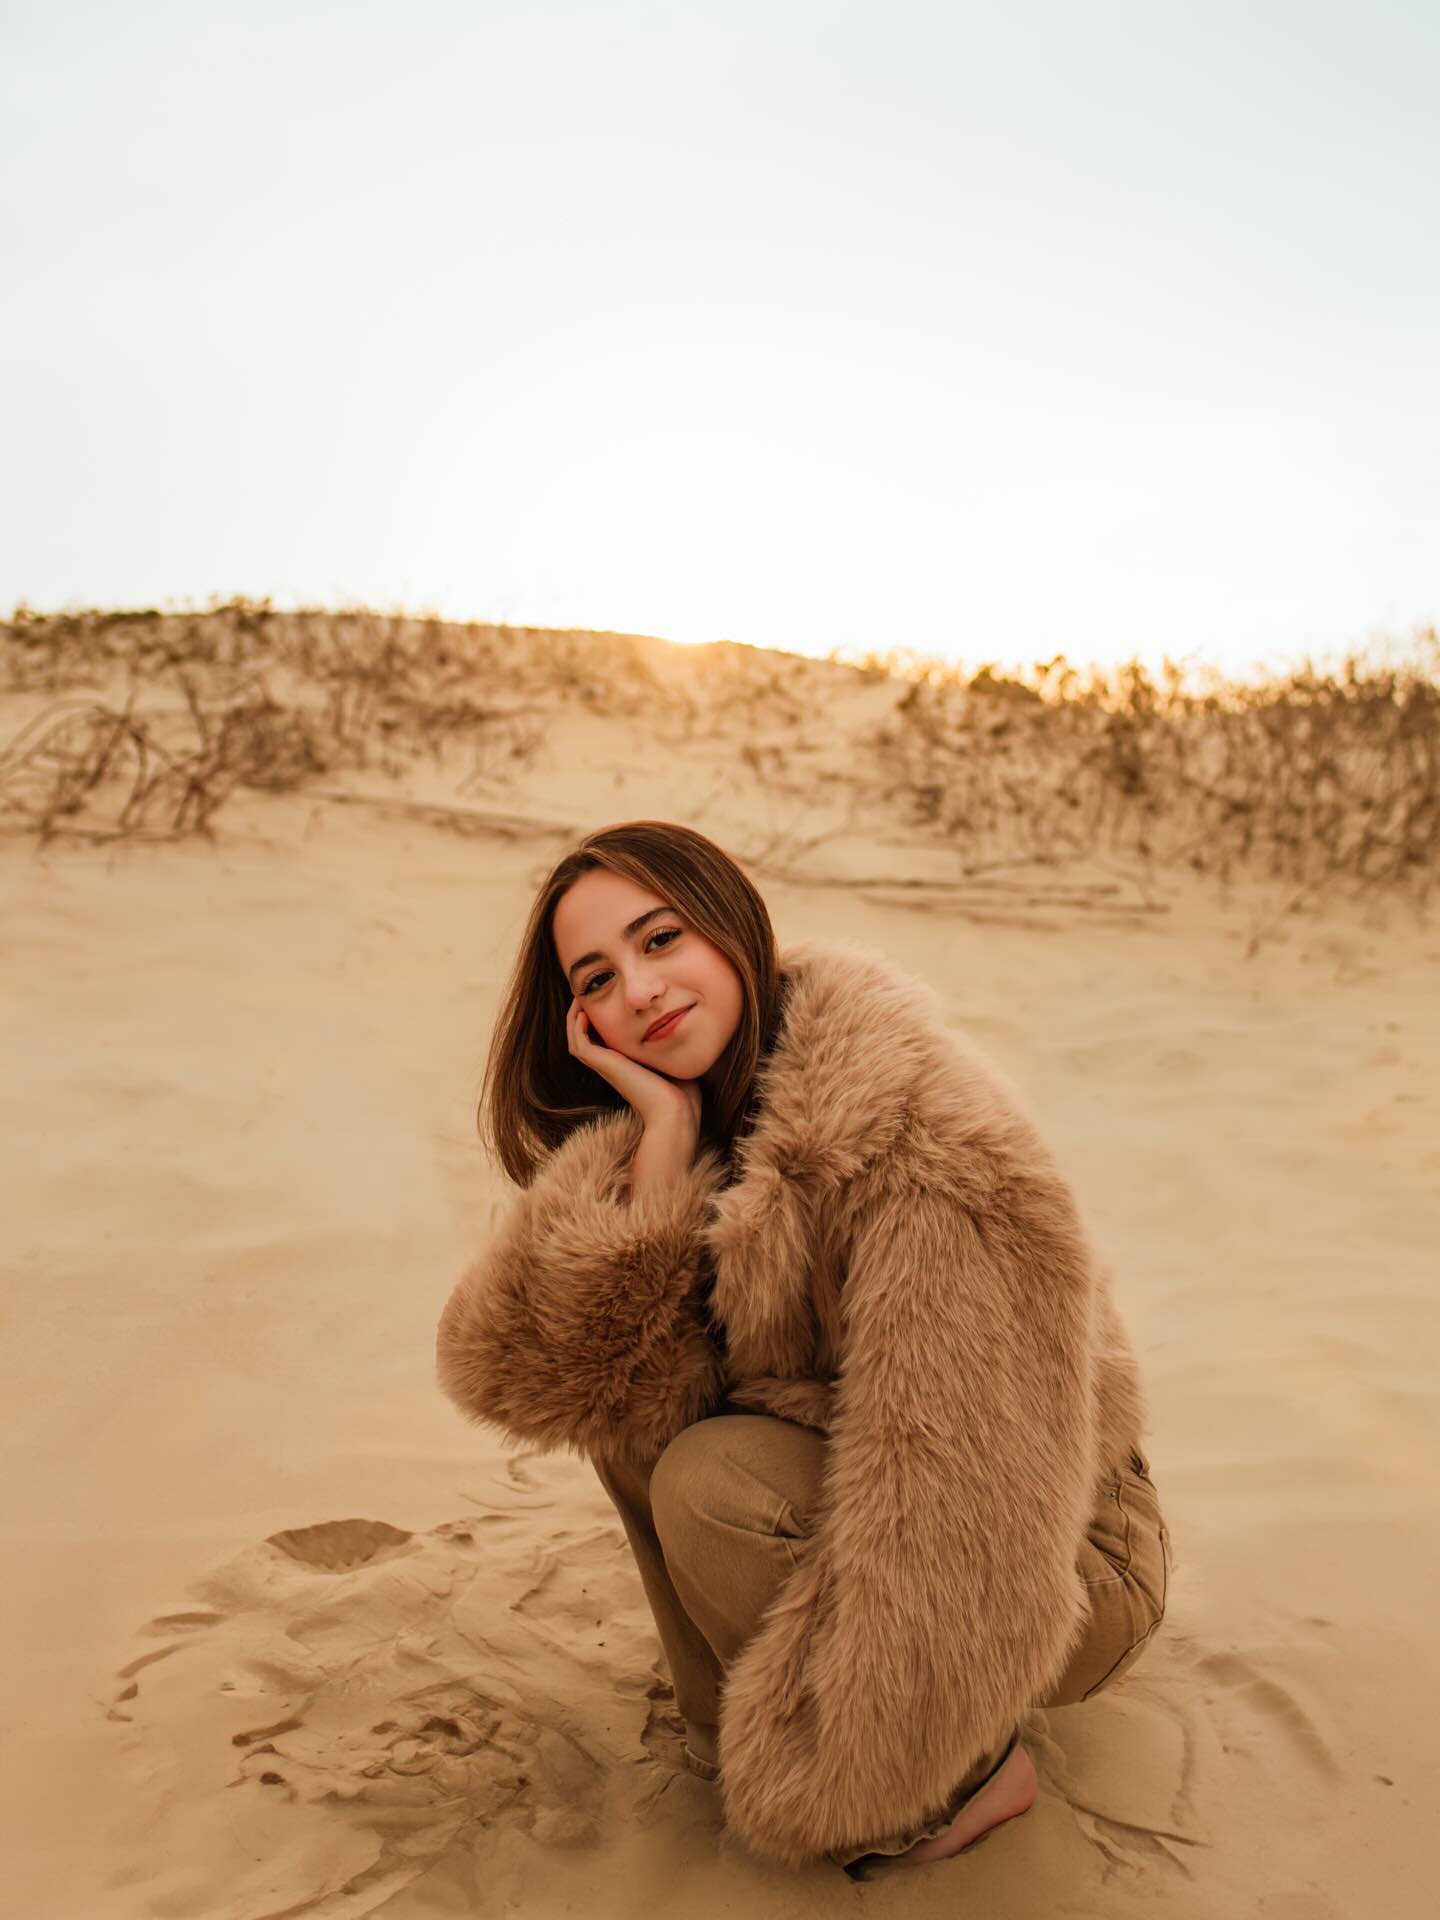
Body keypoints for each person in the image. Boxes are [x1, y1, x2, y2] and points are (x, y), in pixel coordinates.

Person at [435, 820, 1171, 1873]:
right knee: (626, 1387)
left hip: (1061, 1548)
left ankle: (965, 1781)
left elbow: (970, 1505)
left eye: (661, 939)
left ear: (731, 926)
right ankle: (730, 1725)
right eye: (596, 979)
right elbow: (541, 1373)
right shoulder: (700, 1108)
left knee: (710, 1479)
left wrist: (856, 1767)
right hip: (919, 1493)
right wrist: (663, 1148)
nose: (639, 991)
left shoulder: (923, 1143)